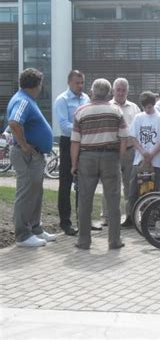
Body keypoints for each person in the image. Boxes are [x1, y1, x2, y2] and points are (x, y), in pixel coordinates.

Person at [71, 78, 128, 250]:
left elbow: (75, 142)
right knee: (113, 199)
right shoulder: (116, 111)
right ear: (109, 93)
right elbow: (124, 138)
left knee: (85, 200)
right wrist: (119, 158)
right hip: (110, 156)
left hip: (87, 158)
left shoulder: (80, 112)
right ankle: (114, 240)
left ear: (92, 92)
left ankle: (84, 240)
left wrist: (74, 164)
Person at [7, 68, 56, 247]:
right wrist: (25, 145)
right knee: (26, 193)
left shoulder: (26, 99)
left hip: (34, 155)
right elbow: (14, 122)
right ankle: (22, 235)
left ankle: (35, 228)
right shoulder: (23, 101)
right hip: (27, 154)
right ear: (37, 84)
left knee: (36, 193)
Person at [54, 70, 89, 236]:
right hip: (68, 142)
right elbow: (64, 124)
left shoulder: (86, 99)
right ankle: (65, 222)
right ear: (69, 82)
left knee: (83, 183)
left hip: (84, 143)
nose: (81, 86)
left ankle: (82, 221)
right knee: (66, 182)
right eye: (77, 82)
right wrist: (82, 130)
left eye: (82, 82)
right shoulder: (62, 100)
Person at [102, 78, 141, 227]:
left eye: (123, 90)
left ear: (127, 91)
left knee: (129, 185)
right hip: (113, 151)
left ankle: (130, 215)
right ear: (113, 90)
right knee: (110, 184)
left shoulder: (134, 108)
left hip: (130, 151)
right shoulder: (107, 106)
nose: (120, 93)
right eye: (118, 89)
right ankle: (106, 216)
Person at [128, 91, 160, 210]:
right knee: (134, 191)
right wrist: (143, 152)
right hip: (139, 161)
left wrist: (151, 154)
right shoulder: (138, 118)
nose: (147, 109)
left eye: (149, 107)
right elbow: (133, 137)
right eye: (144, 107)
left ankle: (151, 218)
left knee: (153, 191)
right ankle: (133, 216)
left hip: (156, 162)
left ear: (153, 104)